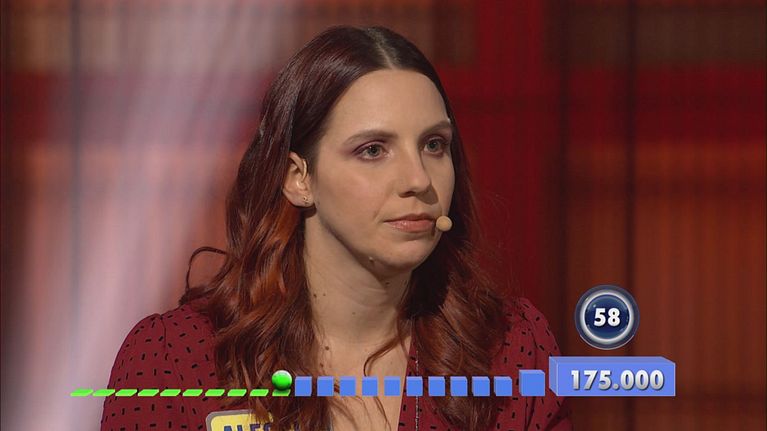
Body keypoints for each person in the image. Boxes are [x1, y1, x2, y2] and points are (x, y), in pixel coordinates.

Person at [100, 25, 572, 431]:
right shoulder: (175, 358)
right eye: (373, 150)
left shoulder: (510, 347)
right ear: (299, 178)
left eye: (433, 145)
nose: (418, 179)